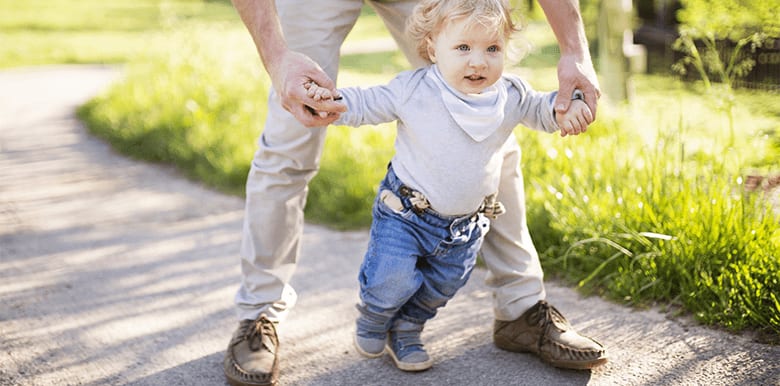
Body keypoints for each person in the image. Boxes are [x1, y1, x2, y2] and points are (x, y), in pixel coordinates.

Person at [224, 0, 604, 385]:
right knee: (291, 138)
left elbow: (527, 103)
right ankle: (259, 313)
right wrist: (277, 57)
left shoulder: (513, 92)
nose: (481, 58)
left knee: (486, 120)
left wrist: (573, 49)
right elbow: (370, 102)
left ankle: (520, 308)